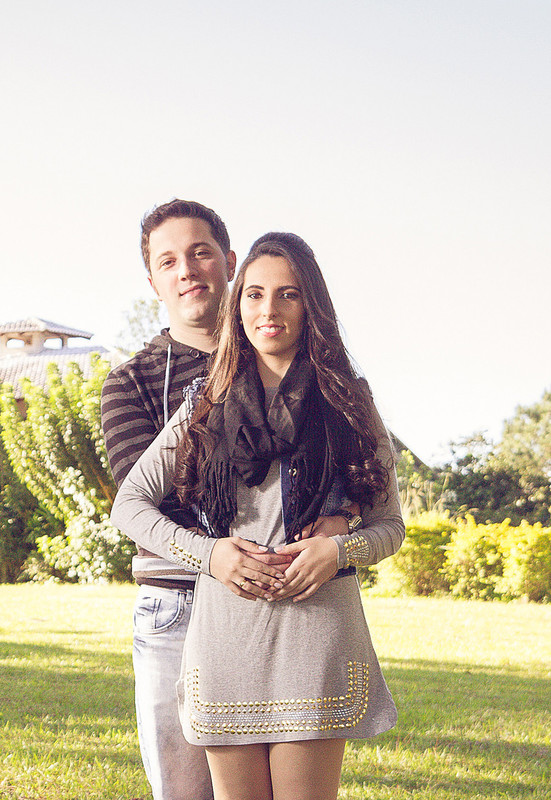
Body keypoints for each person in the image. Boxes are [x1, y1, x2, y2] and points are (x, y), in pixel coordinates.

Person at [110, 231, 403, 800]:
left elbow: (391, 526)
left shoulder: (349, 400)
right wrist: (210, 554)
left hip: (315, 632)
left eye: (288, 294)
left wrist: (338, 550)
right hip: (225, 636)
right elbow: (131, 506)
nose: (268, 310)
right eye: (255, 294)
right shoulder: (204, 400)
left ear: (311, 306)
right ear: (237, 301)